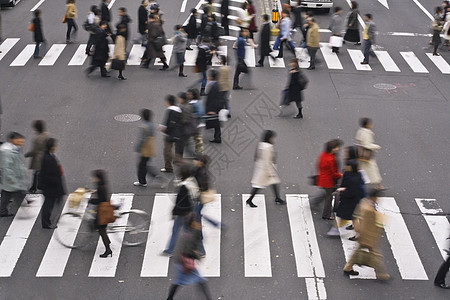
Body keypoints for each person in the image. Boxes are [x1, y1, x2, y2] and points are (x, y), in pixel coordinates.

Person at [343, 189, 390, 281]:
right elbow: (366, 225)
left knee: (357, 253)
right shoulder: (369, 210)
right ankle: (381, 274)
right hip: (368, 237)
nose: (378, 199)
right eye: (377, 197)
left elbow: (356, 217)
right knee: (376, 255)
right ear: (374, 197)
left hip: (364, 236)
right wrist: (365, 237)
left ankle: (348, 268)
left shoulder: (364, 203)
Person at [165, 214, 212, 300]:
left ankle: (170, 298)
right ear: (192, 224)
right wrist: (196, 256)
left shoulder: (187, 232)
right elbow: (188, 250)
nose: (199, 224)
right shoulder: (190, 235)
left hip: (181, 262)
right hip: (183, 263)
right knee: (199, 281)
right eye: (196, 222)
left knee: (179, 281)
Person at [162, 164, 197, 257]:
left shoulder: (183, 188)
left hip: (182, 214)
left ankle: (170, 250)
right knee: (188, 231)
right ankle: (193, 249)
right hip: (189, 211)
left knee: (176, 231)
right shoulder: (191, 183)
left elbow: (180, 203)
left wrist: (174, 212)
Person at [245, 130, 285, 208]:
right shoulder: (268, 147)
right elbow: (267, 161)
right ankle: (250, 200)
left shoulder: (261, 144)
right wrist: (270, 172)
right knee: (258, 186)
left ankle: (277, 198)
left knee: (272, 183)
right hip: (265, 170)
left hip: (261, 167)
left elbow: (257, 157)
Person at [327, 159, 365, 236]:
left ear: (351, 167)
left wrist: (342, 191)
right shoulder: (355, 175)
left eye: (347, 165)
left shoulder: (353, 179)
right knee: (346, 216)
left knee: (350, 217)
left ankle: (359, 234)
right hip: (351, 201)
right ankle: (335, 229)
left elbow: (351, 192)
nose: (345, 167)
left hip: (350, 202)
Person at [39, 138, 65, 229]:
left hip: (51, 186)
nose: (56, 147)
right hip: (50, 187)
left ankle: (47, 221)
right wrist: (56, 181)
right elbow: (47, 175)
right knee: (48, 205)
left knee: (49, 204)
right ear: (52, 147)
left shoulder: (49, 156)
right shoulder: (48, 159)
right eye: (55, 146)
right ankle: (46, 223)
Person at [0, 132, 28, 217]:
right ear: (13, 140)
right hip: (11, 178)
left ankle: (2, 211)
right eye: (19, 140)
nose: (21, 142)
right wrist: (11, 179)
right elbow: (6, 167)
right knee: (17, 193)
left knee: (6, 194)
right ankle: (25, 211)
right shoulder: (7, 152)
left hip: (13, 178)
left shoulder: (15, 149)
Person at [313, 140, 342, 220]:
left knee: (327, 195)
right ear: (333, 149)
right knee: (328, 199)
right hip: (328, 181)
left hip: (323, 179)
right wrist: (341, 175)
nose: (338, 149)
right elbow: (333, 173)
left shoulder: (323, 155)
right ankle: (326, 215)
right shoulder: (331, 159)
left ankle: (317, 203)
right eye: (336, 147)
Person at [89, 170, 113, 258]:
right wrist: (95, 191)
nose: (92, 178)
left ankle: (108, 249)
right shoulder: (101, 185)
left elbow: (101, 200)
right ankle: (108, 246)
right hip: (104, 210)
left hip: (102, 212)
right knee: (101, 229)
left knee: (102, 230)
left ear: (97, 178)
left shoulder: (100, 188)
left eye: (94, 177)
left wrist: (91, 200)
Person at [133, 109, 159, 187]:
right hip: (150, 147)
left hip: (145, 149)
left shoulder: (144, 126)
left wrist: (138, 147)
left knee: (142, 166)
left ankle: (143, 181)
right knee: (144, 165)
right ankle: (144, 180)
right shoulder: (151, 124)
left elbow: (142, 139)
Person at [355, 118, 383, 189]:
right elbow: (367, 145)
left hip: (361, 154)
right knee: (373, 169)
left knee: (360, 169)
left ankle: (357, 183)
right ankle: (378, 185)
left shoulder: (360, 131)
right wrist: (376, 147)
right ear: (367, 125)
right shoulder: (366, 133)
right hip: (366, 154)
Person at [158, 95, 182, 173]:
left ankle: (168, 167)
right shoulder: (179, 110)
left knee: (167, 151)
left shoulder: (170, 111)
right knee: (175, 150)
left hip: (170, 134)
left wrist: (164, 130)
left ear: (168, 102)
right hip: (179, 133)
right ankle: (179, 161)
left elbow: (168, 123)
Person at [24, 120, 49, 193]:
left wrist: (28, 154)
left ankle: (34, 187)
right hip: (46, 156)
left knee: (36, 173)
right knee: (43, 172)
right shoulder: (47, 135)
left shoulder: (37, 139)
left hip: (39, 158)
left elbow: (34, 150)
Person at [205, 69, 225, 144]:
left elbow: (215, 99)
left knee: (215, 123)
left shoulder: (214, 86)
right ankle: (217, 137)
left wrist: (212, 109)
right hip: (215, 108)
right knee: (216, 124)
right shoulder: (217, 85)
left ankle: (217, 137)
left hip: (214, 108)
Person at [187, 88, 205, 155]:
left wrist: (191, 115)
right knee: (195, 138)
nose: (188, 95)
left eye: (189, 94)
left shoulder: (197, 103)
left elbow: (201, 112)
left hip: (196, 123)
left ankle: (199, 153)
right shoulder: (191, 102)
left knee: (197, 138)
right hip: (192, 123)